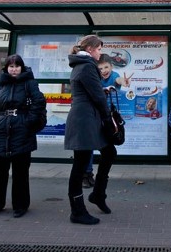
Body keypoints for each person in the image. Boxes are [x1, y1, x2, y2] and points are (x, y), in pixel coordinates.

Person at [0, 54, 47, 218]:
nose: (14, 69)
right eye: (11, 66)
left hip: (21, 130)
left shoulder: (29, 82)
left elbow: (39, 101)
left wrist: (28, 121)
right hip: (1, 130)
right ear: (6, 68)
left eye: (17, 66)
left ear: (22, 67)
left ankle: (20, 205)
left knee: (20, 172)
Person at [65, 35, 118, 225]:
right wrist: (108, 121)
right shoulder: (87, 66)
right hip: (84, 119)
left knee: (109, 152)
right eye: (98, 49)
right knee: (80, 164)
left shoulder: (82, 65)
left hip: (88, 116)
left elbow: (93, 91)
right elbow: (97, 96)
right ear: (89, 49)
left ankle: (98, 194)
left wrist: (102, 93)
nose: (100, 52)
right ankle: (77, 211)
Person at [78, 54, 133, 189]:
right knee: (89, 146)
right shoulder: (94, 76)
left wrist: (124, 82)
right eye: (100, 68)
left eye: (106, 67)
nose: (104, 70)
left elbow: (118, 80)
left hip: (107, 117)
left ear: (111, 66)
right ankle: (87, 174)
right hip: (93, 115)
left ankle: (100, 181)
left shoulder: (113, 76)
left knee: (108, 149)